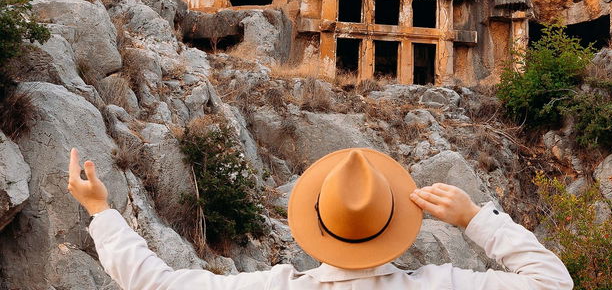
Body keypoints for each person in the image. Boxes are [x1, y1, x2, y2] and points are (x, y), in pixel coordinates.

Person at [68, 146, 574, 289]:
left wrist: (100, 210)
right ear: (395, 221)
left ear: (313, 220)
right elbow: (552, 283)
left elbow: (154, 281)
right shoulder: (444, 284)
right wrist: (473, 219)